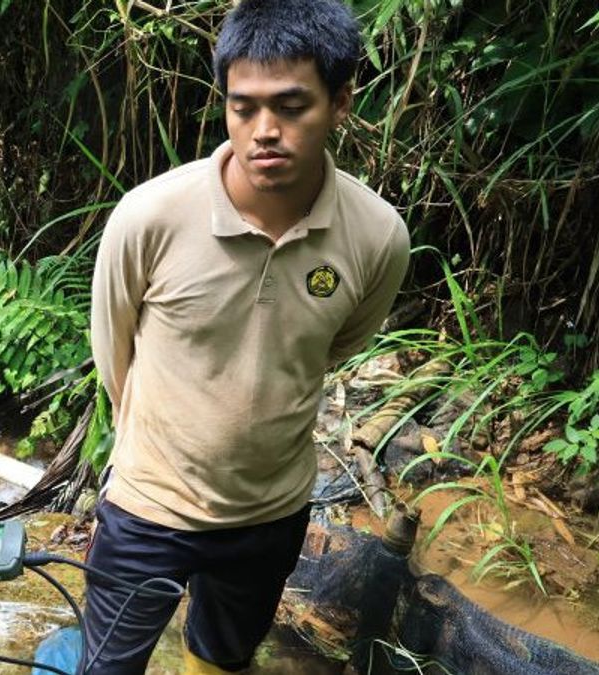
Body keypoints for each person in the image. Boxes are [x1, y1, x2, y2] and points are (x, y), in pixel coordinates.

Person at [86, 0, 411, 672]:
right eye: (244, 107)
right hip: (149, 505)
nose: (264, 131)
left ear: (341, 101)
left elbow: (333, 346)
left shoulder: (378, 236)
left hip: (270, 511)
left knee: (224, 658)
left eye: (291, 106)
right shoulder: (149, 217)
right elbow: (112, 350)